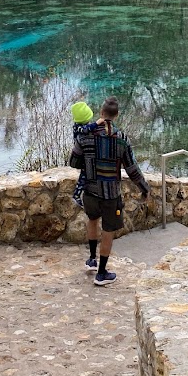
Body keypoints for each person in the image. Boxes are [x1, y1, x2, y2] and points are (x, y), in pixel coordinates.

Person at [69, 95, 149, 286]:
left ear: (101, 112)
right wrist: (144, 188)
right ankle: (102, 273)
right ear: (117, 115)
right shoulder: (121, 139)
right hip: (110, 194)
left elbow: (73, 162)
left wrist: (88, 162)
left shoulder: (85, 136)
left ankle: (91, 260)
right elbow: (132, 169)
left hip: (89, 190)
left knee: (92, 220)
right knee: (108, 230)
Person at [69, 101, 99, 207]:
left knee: (86, 174)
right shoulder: (78, 127)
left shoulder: (80, 126)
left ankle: (82, 192)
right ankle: (76, 195)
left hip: (84, 154)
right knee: (83, 175)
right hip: (81, 155)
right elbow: (87, 130)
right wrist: (97, 123)